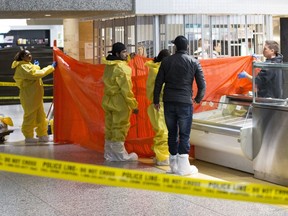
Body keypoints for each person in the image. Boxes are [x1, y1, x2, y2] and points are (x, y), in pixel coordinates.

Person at [153, 35, 206, 175]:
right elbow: (202, 84)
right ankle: (183, 168)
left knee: (171, 133)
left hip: (169, 101)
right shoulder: (194, 62)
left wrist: (156, 101)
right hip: (185, 102)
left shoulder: (166, 61)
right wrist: (198, 99)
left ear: (175, 47)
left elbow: (158, 83)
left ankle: (173, 166)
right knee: (184, 134)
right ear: (187, 47)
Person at [102, 42, 139, 161]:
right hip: (120, 102)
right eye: (123, 52)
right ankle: (120, 155)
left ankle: (109, 154)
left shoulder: (109, 65)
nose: (126, 54)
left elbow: (118, 65)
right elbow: (126, 90)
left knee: (110, 127)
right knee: (120, 126)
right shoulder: (123, 69)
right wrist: (133, 105)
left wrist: (129, 59)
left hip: (108, 100)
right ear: (118, 53)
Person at [11, 49, 57, 143]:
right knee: (30, 116)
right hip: (29, 96)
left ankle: (42, 135)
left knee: (41, 116)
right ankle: (28, 136)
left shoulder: (28, 65)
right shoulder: (22, 67)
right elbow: (35, 75)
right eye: (27, 55)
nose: (30, 56)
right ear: (22, 57)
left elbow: (32, 71)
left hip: (36, 96)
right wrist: (50, 67)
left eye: (30, 54)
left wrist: (36, 66)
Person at [145, 49, 171, 166]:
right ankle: (163, 157)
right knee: (163, 132)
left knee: (159, 131)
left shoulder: (153, 69)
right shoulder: (160, 71)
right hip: (160, 104)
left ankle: (158, 155)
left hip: (155, 105)